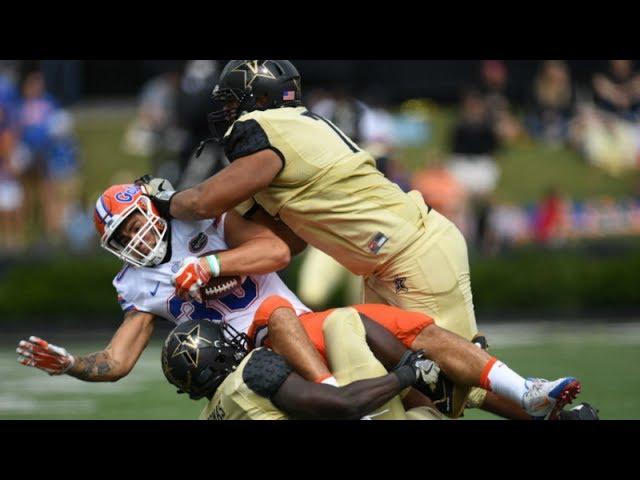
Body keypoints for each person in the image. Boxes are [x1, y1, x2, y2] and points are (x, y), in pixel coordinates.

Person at [16, 183, 581, 420]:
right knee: (271, 315)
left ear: (153, 208)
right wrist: (71, 366)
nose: (135, 240)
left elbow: (271, 252)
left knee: (422, 344)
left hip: (308, 327)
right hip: (255, 363)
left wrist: (211, 264)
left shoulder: (204, 221)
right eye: (121, 238)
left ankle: (527, 394)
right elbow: (116, 361)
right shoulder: (136, 286)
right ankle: (339, 399)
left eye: (135, 224)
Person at [137, 60, 512, 416]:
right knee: (405, 373)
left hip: (406, 251)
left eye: (234, 100)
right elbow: (288, 243)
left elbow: (203, 201)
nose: (227, 112)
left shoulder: (265, 132)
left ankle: (534, 398)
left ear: (260, 99)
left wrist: (166, 202)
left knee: (447, 387)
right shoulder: (297, 131)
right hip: (383, 259)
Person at [164, 312, 445, 420]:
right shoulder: (251, 372)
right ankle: (448, 385)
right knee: (341, 322)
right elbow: (345, 404)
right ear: (218, 355)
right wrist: (408, 373)